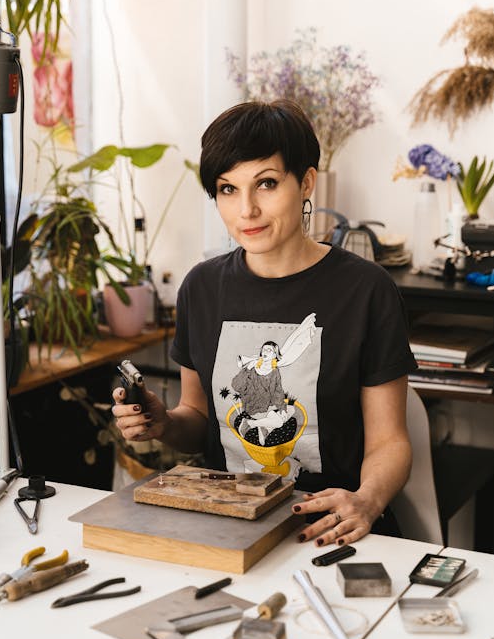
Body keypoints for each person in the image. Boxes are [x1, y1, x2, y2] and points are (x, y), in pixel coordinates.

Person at [112, 99, 417, 547]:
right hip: (226, 523)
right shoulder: (201, 288)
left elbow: (390, 442)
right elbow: (199, 418)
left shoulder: (366, 290)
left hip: (330, 527)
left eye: (267, 183)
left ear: (306, 181)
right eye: (228, 189)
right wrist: (164, 422)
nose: (246, 210)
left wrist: (367, 500)